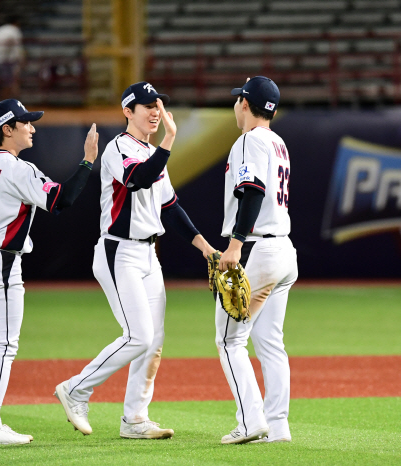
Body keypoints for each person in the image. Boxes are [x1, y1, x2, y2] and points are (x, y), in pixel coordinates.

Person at [54, 82, 216, 440]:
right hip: (119, 252)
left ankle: (135, 420)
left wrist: (204, 246)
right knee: (138, 336)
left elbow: (169, 206)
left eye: (159, 104)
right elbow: (138, 179)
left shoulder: (153, 152)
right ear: (128, 111)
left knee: (154, 341)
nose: (156, 110)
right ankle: (77, 389)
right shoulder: (118, 148)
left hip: (148, 253)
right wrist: (170, 141)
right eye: (147, 105)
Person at [0, 99, 99, 445]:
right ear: (7, 129)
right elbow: (61, 199)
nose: (32, 127)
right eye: (25, 122)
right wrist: (87, 160)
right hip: (0, 263)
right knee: (3, 346)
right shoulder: (19, 169)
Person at [216, 76, 298, 444]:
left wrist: (235, 245)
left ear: (245, 104)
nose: (236, 105)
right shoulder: (278, 142)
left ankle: (251, 422)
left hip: (257, 250)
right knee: (270, 341)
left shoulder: (249, 140)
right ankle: (277, 425)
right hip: (284, 252)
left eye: (239, 100)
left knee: (230, 340)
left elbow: (251, 191)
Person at [0, 16, 24, 98]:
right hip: (9, 60)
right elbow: (18, 47)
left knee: (7, 82)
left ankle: (10, 103)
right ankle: (9, 103)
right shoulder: (14, 30)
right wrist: (22, 59)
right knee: (10, 83)